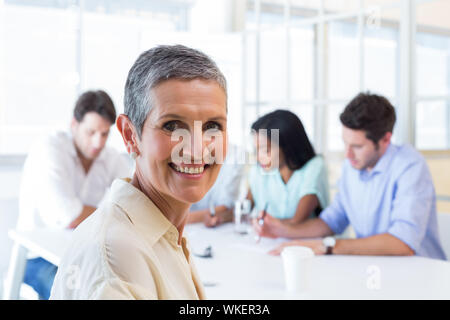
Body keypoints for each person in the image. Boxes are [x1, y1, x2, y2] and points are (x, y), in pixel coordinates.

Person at [50, 44, 228, 299]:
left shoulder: (166, 234)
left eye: (212, 125)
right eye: (173, 125)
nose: (197, 149)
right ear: (130, 135)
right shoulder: (117, 261)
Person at [256, 93, 447, 261]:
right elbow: (331, 222)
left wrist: (328, 246)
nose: (347, 155)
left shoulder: (410, 166)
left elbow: (403, 243)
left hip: (420, 272)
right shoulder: (352, 166)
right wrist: (282, 230)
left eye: (357, 146)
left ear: (386, 139)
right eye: (345, 143)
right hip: (376, 268)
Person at [17, 90, 131, 299]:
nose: (98, 142)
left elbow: (134, 202)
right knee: (78, 293)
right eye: (91, 132)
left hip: (81, 253)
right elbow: (71, 216)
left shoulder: (109, 157)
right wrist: (117, 216)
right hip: (38, 257)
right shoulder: (50, 149)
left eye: (105, 134)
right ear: (74, 125)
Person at [247, 110, 329, 227]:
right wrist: (218, 217)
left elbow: (296, 221)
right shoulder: (258, 171)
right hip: (266, 242)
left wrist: (263, 223)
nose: (258, 157)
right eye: (256, 150)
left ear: (287, 146)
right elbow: (244, 210)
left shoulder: (314, 167)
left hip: (303, 242)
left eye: (266, 150)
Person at [187, 144, 245, 227]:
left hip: (214, 229)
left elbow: (225, 206)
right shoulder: (188, 150)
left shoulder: (236, 155)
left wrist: (181, 218)